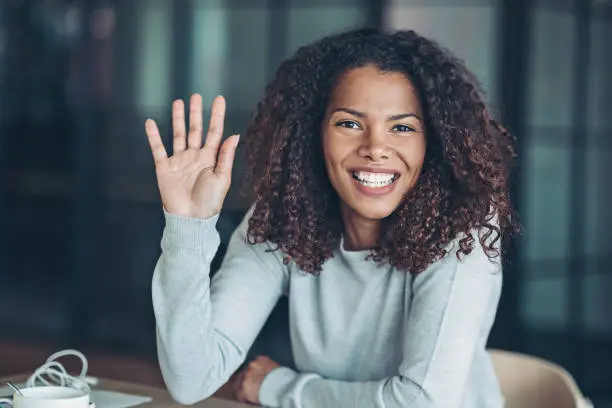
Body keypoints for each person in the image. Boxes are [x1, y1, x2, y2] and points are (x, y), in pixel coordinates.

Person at [145, 28, 518, 408]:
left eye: (402, 127)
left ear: (433, 142)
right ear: (314, 132)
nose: (375, 148)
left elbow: (424, 403)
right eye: (349, 123)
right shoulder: (285, 218)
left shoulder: (461, 231)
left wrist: (280, 388)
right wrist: (188, 227)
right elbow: (190, 379)